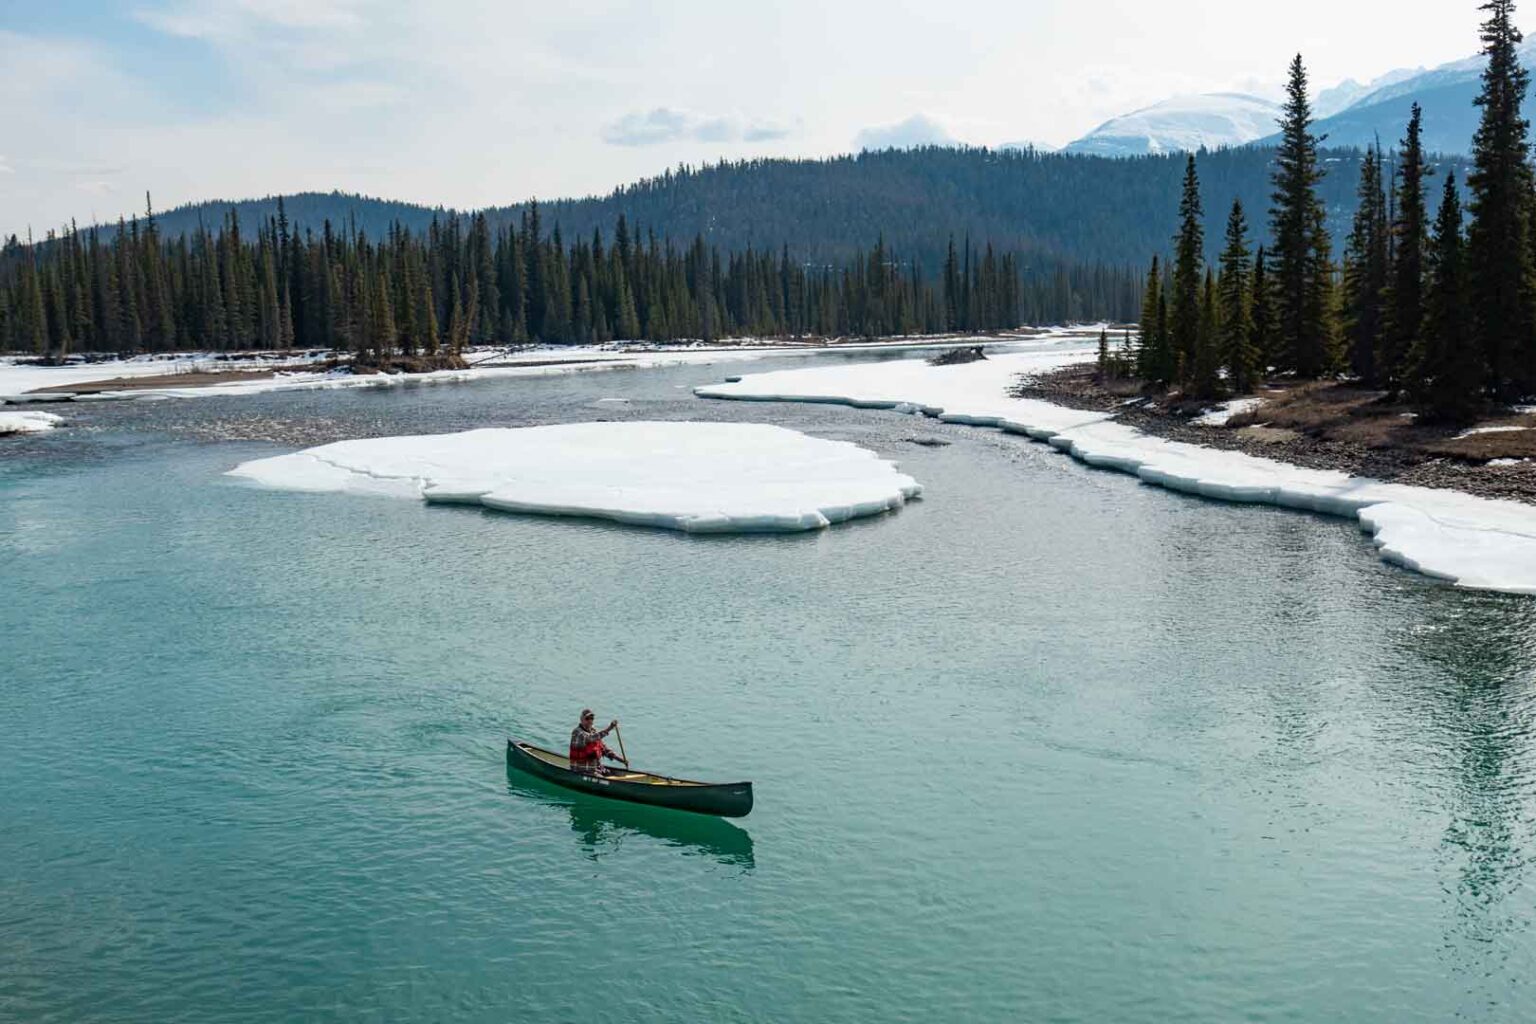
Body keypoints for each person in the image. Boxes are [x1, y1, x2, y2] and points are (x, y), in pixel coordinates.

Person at [569, 709, 626, 774]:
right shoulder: (577, 732)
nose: (590, 720)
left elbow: (603, 749)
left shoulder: (593, 731)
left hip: (596, 768)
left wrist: (620, 759)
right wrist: (609, 728)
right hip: (582, 769)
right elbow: (591, 738)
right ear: (581, 719)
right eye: (587, 718)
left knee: (613, 774)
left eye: (592, 718)